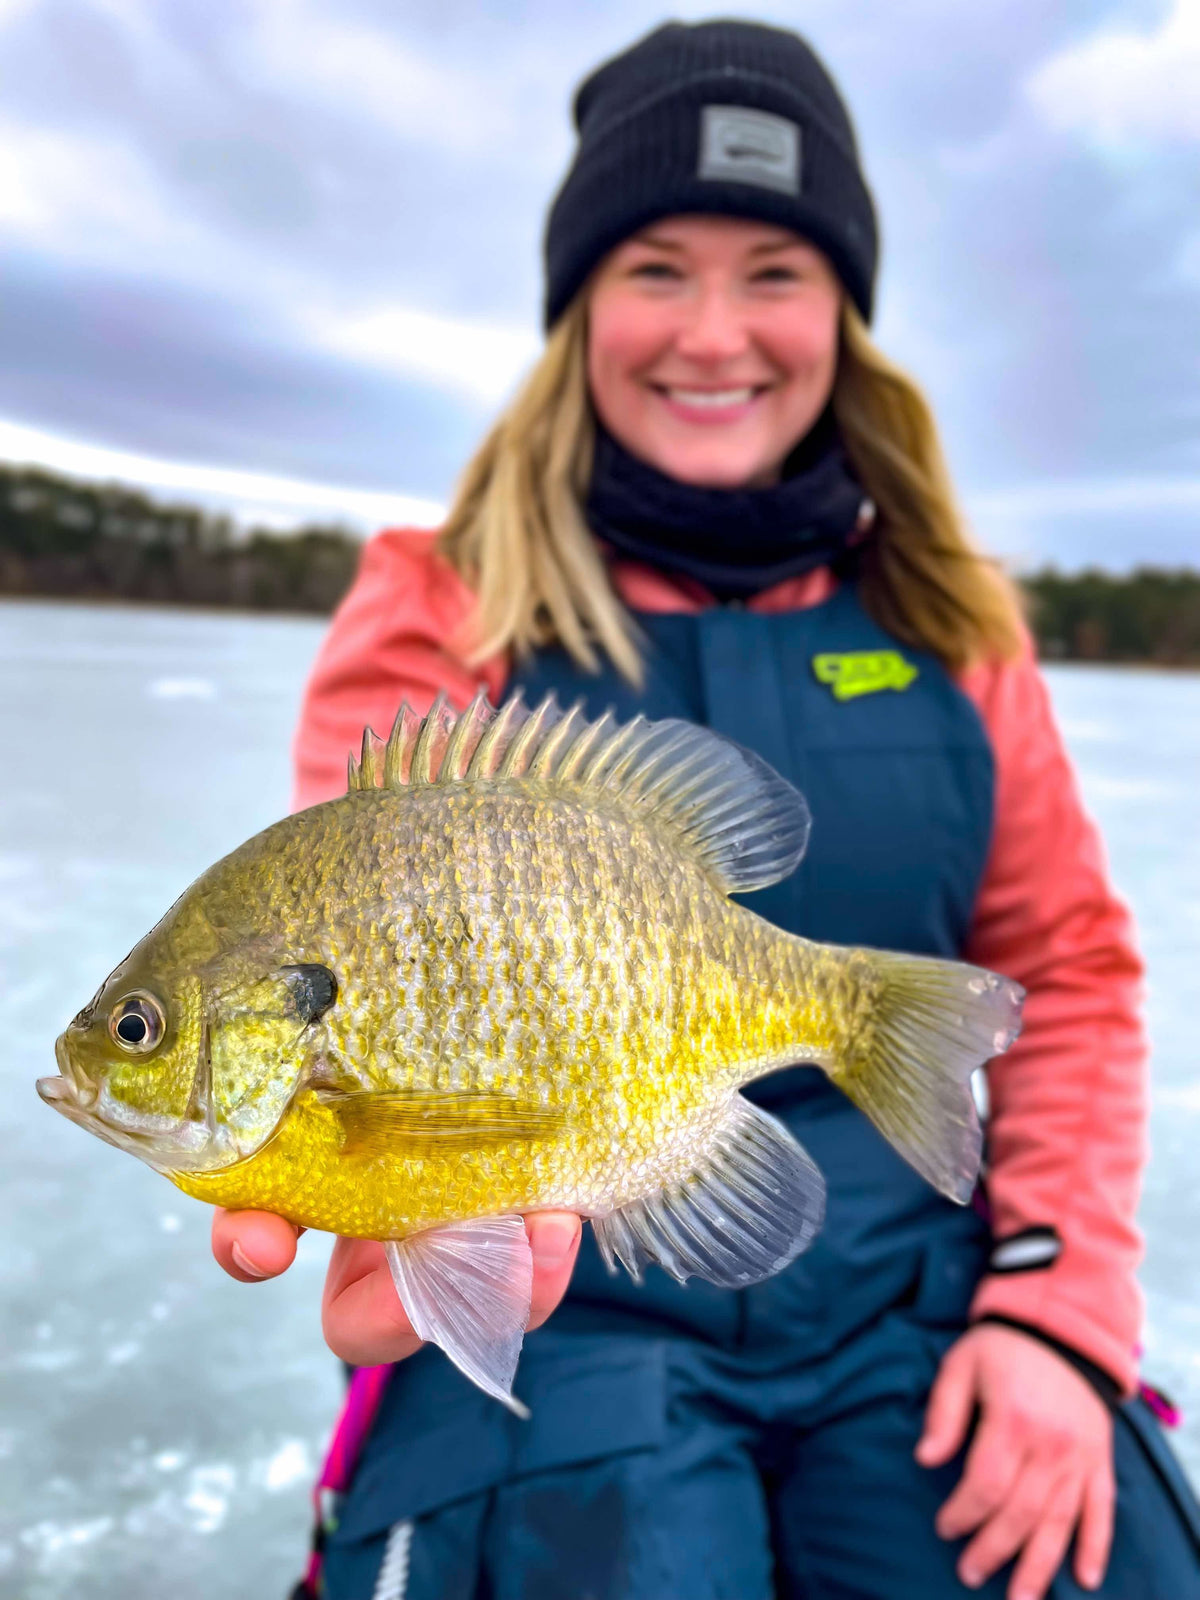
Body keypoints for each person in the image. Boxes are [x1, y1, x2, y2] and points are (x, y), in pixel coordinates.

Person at [211, 21, 1200, 1600]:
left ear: (843, 316)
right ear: (580, 308)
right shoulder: (441, 602)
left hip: (923, 1302)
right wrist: (412, 1210)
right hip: (567, 1295)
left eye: (776, 273)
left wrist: (1054, 1303)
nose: (715, 332)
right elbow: (354, 938)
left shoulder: (953, 620)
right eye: (657, 268)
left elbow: (1064, 971)